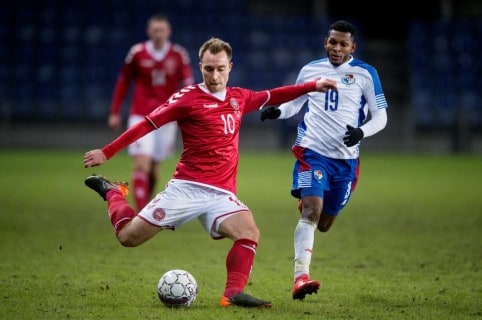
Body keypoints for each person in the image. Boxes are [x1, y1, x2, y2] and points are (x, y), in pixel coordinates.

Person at [83, 37, 338, 308]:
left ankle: (232, 293)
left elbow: (274, 95)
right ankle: (113, 193)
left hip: (221, 194)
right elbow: (148, 124)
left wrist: (312, 86)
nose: (214, 76)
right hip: (186, 188)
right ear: (200, 67)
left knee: (249, 232)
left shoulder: (240, 97)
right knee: (128, 238)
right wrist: (108, 151)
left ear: (230, 67)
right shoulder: (187, 98)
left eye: (220, 69)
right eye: (208, 69)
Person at [260, 20, 388, 300]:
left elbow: (381, 116)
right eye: (333, 42)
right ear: (325, 43)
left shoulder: (366, 74)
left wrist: (360, 132)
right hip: (312, 153)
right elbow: (294, 102)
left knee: (325, 224)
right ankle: (299, 277)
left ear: (353, 47)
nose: (337, 48)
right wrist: (277, 113)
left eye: (343, 44)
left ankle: (311, 197)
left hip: (345, 162)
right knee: (311, 213)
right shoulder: (310, 70)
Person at [108, 13, 194, 212]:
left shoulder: (178, 55)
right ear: (149, 32)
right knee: (142, 163)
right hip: (140, 115)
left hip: (167, 117)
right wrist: (115, 111)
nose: (158, 34)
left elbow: (188, 85)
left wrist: (188, 112)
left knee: (154, 168)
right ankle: (140, 212)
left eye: (162, 30)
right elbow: (123, 82)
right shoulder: (137, 53)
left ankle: (145, 203)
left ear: (168, 32)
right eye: (155, 30)